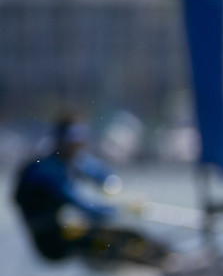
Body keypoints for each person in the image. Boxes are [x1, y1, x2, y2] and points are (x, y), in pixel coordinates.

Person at [12, 113, 167, 266]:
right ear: (60, 141)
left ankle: (165, 258)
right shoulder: (46, 170)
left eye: (79, 142)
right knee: (118, 238)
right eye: (72, 143)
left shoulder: (68, 158)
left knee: (130, 235)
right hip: (51, 242)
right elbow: (81, 204)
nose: (77, 147)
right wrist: (121, 209)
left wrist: (111, 187)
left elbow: (99, 172)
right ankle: (162, 262)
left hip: (65, 229)